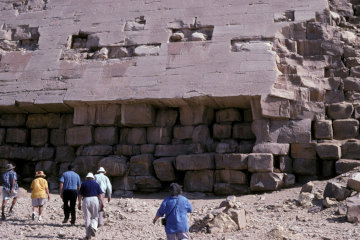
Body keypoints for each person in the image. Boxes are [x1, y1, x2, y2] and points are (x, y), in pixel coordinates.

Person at [78, 172, 104, 240]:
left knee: (87, 218)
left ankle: (88, 236)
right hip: (95, 199)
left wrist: (79, 203)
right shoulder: (96, 184)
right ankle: (94, 226)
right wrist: (102, 203)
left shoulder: (83, 184)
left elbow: (80, 195)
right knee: (95, 216)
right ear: (93, 178)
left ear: (86, 178)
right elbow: (100, 195)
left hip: (86, 200)